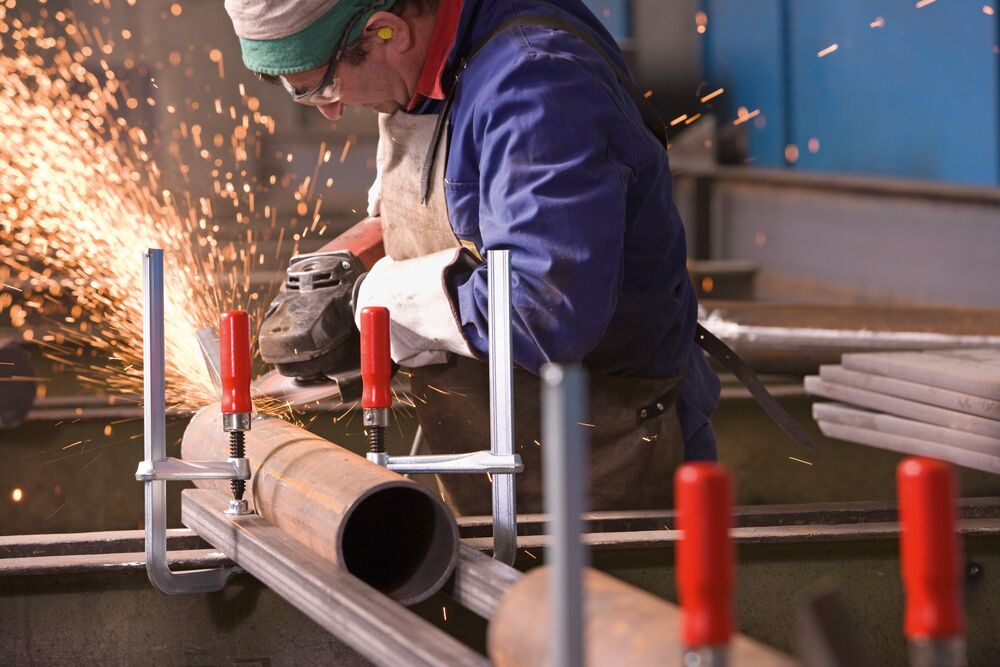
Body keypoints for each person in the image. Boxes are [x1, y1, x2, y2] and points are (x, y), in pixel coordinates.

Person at [224, 0, 721, 515]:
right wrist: (351, 257)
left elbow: (543, 310)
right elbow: (465, 205)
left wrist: (382, 300)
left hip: (601, 454)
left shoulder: (537, 82)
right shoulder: (433, 61)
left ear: (388, 31)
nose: (329, 109)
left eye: (323, 87)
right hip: (493, 449)